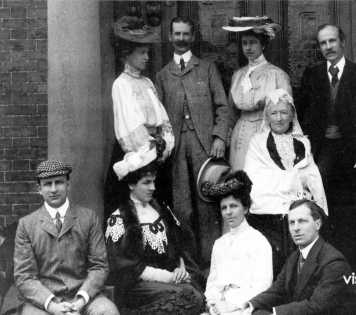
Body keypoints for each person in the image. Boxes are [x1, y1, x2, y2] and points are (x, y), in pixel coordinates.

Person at [155, 17, 231, 269]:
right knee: (182, 208)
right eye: (177, 34)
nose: (181, 39)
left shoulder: (206, 68)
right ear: (170, 36)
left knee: (207, 204)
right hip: (176, 148)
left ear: (193, 36)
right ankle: (189, 266)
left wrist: (220, 136)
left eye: (186, 34)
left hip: (204, 146)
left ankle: (214, 263)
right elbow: (157, 117)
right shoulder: (163, 75)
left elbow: (222, 106)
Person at [14, 159, 120, 315]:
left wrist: (79, 302)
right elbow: (24, 276)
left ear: (68, 185)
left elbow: (99, 266)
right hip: (43, 301)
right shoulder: (27, 225)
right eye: (48, 184)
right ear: (39, 189)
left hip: (84, 296)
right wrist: (52, 306)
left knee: (108, 313)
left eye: (59, 182)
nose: (54, 189)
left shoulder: (88, 218)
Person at [105, 148, 204, 315]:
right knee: (190, 298)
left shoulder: (161, 210)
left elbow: (177, 247)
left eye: (154, 182)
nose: (153, 187)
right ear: (131, 184)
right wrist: (169, 278)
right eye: (146, 182)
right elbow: (128, 267)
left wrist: (179, 270)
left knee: (196, 293)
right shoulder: (119, 219)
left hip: (168, 280)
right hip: (137, 286)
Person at [299, 24, 356, 268]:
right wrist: (320, 132)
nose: (328, 47)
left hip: (351, 154)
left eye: (332, 41)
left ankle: (352, 265)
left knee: (350, 210)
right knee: (322, 207)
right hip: (323, 153)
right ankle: (326, 265)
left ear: (343, 42)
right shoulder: (312, 75)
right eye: (323, 43)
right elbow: (304, 115)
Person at [244, 89, 328, 278]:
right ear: (267, 117)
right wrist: (291, 179)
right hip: (268, 206)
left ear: (292, 115)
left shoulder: (302, 142)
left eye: (284, 112)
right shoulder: (258, 142)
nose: (279, 118)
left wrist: (304, 179)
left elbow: (311, 174)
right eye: (274, 113)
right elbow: (255, 177)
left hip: (296, 201)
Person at [104, 15, 175, 217]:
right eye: (141, 52)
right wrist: (152, 152)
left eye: (147, 52)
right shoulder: (121, 84)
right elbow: (131, 129)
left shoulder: (147, 82)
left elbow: (163, 119)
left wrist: (165, 146)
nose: (146, 57)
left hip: (155, 152)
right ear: (127, 54)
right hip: (135, 157)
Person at [241, 199, 352, 315]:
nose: (296, 228)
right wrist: (250, 306)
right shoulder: (293, 258)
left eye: (302, 221)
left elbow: (315, 307)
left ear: (318, 224)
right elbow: (276, 291)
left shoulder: (333, 262)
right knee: (256, 313)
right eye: (291, 223)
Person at [192, 171, 273, 315]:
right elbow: (213, 283)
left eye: (233, 206)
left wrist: (231, 305)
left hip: (244, 308)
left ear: (246, 208)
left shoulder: (258, 241)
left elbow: (263, 285)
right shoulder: (219, 244)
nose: (228, 212)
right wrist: (211, 304)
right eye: (224, 208)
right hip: (218, 308)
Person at [222, 16, 292, 171]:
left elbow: (286, 114)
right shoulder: (238, 75)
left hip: (266, 134)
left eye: (253, 43)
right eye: (244, 43)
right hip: (240, 136)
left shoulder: (277, 75)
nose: (248, 48)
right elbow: (231, 114)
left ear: (263, 44)